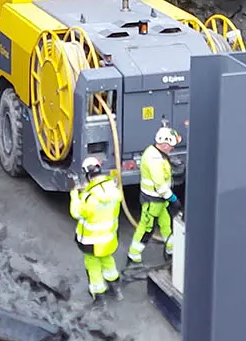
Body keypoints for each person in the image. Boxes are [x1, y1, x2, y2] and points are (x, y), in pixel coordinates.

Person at [70, 155, 123, 298]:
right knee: (107, 260)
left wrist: (75, 195)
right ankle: (115, 288)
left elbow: (76, 212)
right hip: (109, 239)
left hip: (91, 242)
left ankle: (99, 294)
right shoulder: (113, 190)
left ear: (87, 175)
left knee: (92, 264)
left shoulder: (89, 198)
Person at [129, 126, 180, 262]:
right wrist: (172, 198)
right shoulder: (155, 159)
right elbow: (159, 184)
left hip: (159, 199)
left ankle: (171, 248)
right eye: (171, 146)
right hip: (153, 199)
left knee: (165, 224)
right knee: (146, 227)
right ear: (164, 144)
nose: (172, 148)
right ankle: (134, 253)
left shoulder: (156, 153)